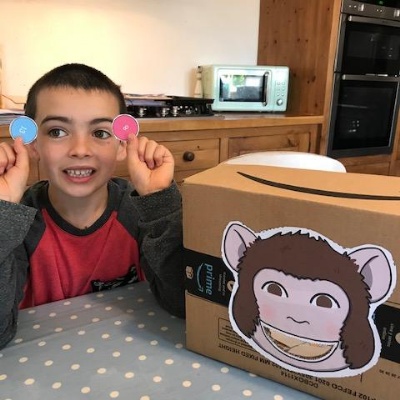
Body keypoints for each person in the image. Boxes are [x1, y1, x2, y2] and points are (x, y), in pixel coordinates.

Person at [0, 63, 185, 349]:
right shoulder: (16, 221)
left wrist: (159, 200)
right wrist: (2, 212)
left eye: (100, 133)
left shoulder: (140, 210)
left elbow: (182, 304)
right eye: (57, 132)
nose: (80, 150)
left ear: (122, 145)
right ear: (33, 144)